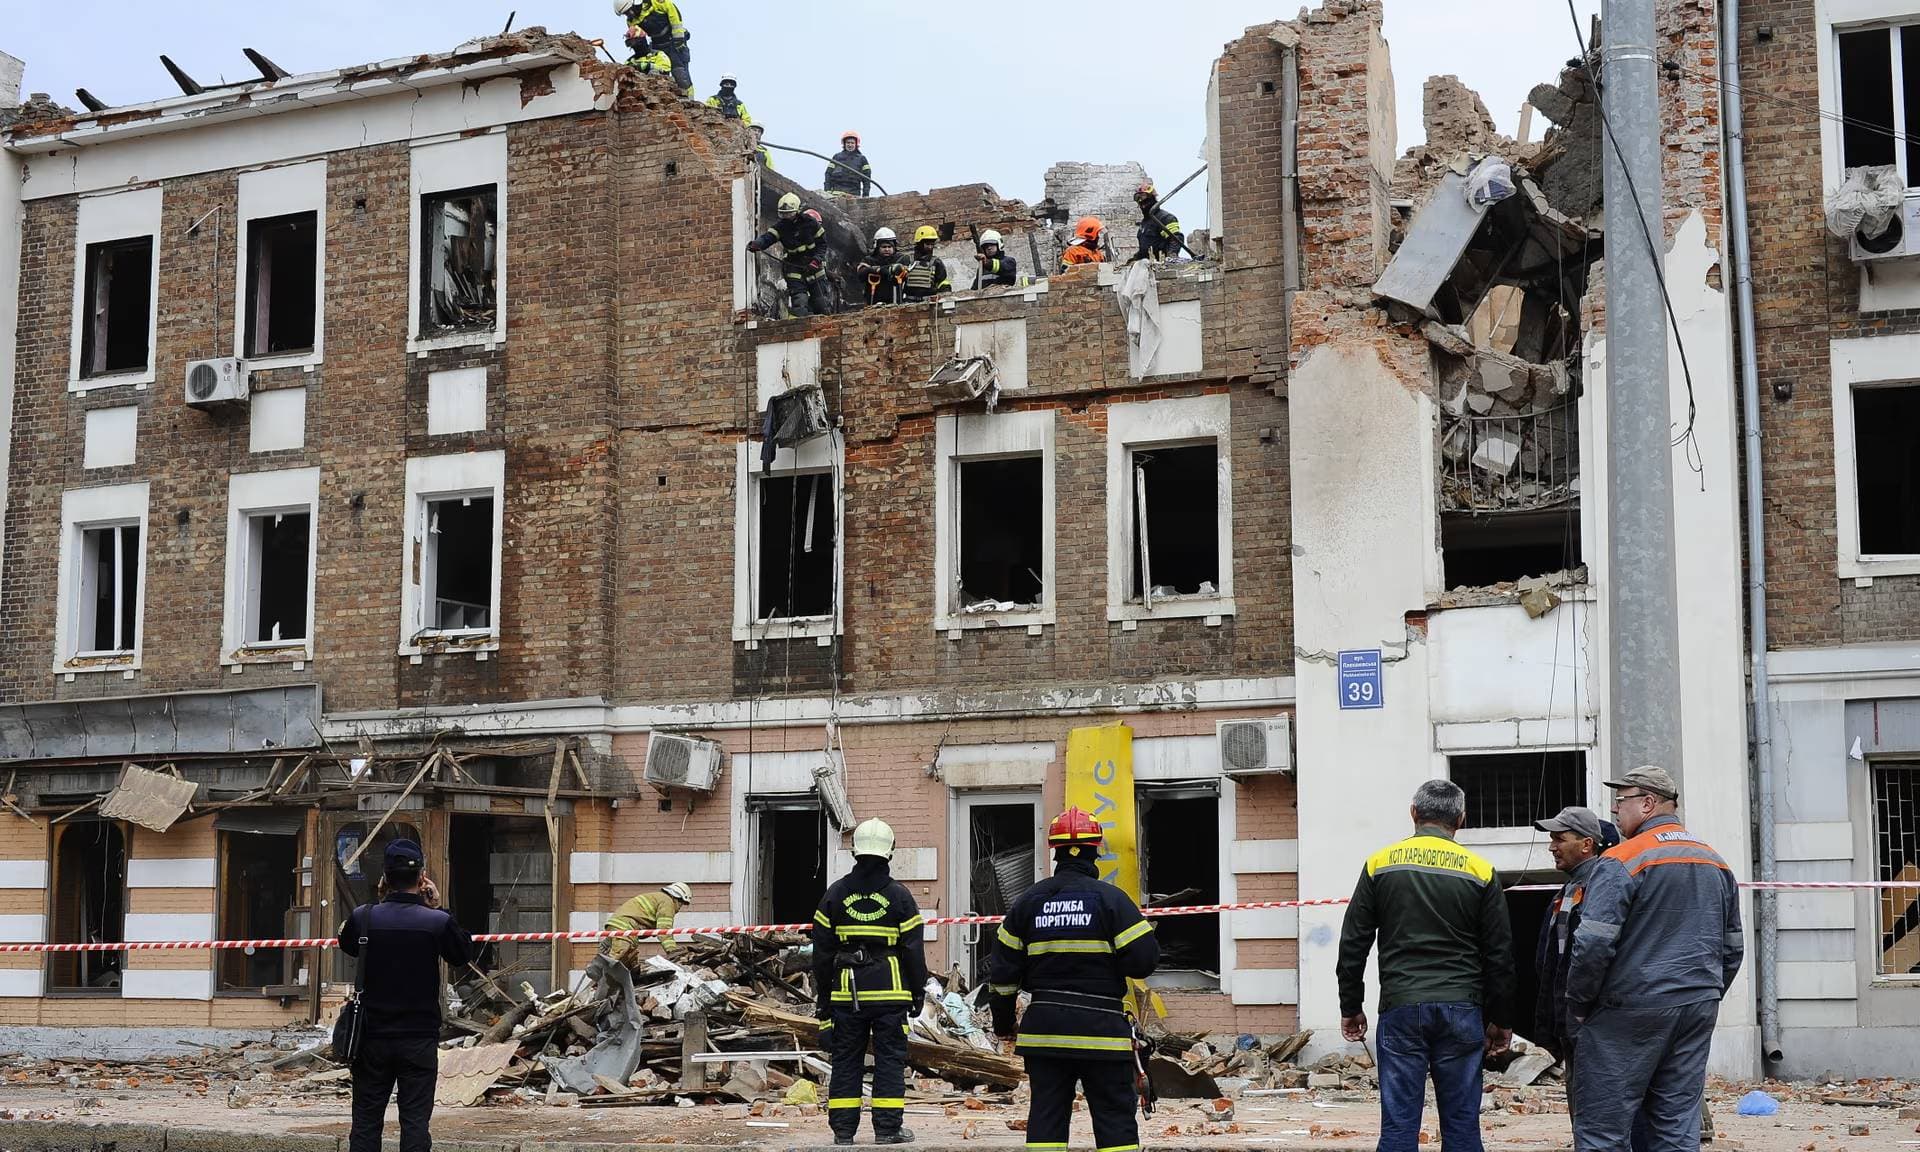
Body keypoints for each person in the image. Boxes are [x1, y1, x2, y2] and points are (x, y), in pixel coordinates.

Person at [1566, 766, 1744, 1152]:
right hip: (1695, 1007)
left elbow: (1593, 945)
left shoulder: (1623, 859)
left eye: (1622, 800)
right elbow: (1732, 948)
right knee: (1676, 1126)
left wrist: (1579, 1005)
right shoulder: (1716, 862)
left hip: (1628, 1011)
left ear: (1647, 803)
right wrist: (1705, 993)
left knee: (1602, 1129)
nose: (1615, 810)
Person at [1337, 779, 1516, 1152]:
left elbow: (1354, 943)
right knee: (1463, 1127)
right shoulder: (1481, 871)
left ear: (1414, 813)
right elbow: (1499, 955)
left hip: (1401, 1007)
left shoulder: (1380, 864)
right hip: (1462, 1011)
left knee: (1399, 1128)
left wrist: (1351, 1006)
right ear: (1461, 820)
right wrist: (1500, 1019)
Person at [990, 807, 1159, 1152]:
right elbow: (1144, 962)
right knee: (1114, 1118)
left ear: (1055, 853)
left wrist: (1004, 1025)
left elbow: (1002, 977)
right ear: (1095, 850)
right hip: (1102, 1033)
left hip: (1045, 1034)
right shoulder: (1112, 900)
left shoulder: (1027, 903)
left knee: (1047, 1117)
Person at [339, 840, 474, 1152]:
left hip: (371, 1038)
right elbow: (461, 954)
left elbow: (348, 945)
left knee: (365, 1122)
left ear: (384, 878)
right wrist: (438, 906)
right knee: (414, 1122)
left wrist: (380, 902)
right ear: (422, 877)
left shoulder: (364, 917)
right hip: (418, 1038)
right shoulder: (436, 921)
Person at [812, 818, 926, 1146]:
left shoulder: (834, 895)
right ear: (890, 852)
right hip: (890, 994)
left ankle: (843, 1132)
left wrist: (825, 1003)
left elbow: (821, 956)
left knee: (846, 1060)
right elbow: (913, 950)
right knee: (890, 1060)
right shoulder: (900, 897)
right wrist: (917, 991)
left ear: (854, 851)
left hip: (848, 995)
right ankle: (888, 1130)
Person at [1531, 806, 1621, 1075]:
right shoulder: (1567, 892)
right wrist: (1549, 1029)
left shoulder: (1603, 888)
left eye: (1559, 839)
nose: (1552, 847)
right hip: (1571, 1024)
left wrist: (1580, 1013)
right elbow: (1551, 967)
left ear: (1586, 844)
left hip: (1594, 1024)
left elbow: (1594, 956)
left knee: (1595, 1107)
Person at [748, 193, 832, 317]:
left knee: (821, 304)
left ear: (797, 211)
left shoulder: (811, 223)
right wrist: (757, 244)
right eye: (783, 214)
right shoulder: (781, 227)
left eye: (789, 214)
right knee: (800, 301)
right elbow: (768, 237)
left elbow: (822, 244)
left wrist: (816, 260)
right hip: (794, 267)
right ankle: (800, 330)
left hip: (814, 268)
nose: (786, 217)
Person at [616, 0, 692, 97]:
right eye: (625, 14)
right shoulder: (631, 21)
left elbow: (674, 15)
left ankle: (690, 101)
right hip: (657, 44)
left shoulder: (656, 3)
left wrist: (679, 38)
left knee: (679, 73)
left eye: (628, 11)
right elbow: (638, 36)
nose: (628, 15)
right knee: (659, 75)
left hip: (674, 40)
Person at [604, 881, 693, 959]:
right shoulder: (667, 902)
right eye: (681, 903)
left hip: (615, 925)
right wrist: (673, 951)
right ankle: (604, 974)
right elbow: (664, 931)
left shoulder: (658, 897)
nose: (680, 907)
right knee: (619, 957)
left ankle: (600, 973)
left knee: (611, 958)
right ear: (676, 898)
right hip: (625, 927)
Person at [1132, 181, 1185, 261]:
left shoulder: (1165, 218)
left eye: (1143, 197)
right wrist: (1135, 259)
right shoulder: (1144, 224)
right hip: (1148, 265)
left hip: (1161, 264)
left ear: (1151, 197)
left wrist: (1171, 256)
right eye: (1138, 199)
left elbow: (1176, 238)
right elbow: (1145, 248)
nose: (1140, 201)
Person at [858, 227, 907, 306]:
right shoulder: (869, 260)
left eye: (889, 247)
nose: (887, 249)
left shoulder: (901, 258)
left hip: (895, 302)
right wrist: (878, 269)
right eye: (884, 247)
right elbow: (861, 273)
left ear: (894, 247)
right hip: (873, 301)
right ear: (877, 247)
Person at [900, 226, 950, 301]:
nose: (930, 247)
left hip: (929, 303)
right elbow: (897, 282)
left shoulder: (936, 262)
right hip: (908, 303)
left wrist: (945, 293)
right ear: (919, 243)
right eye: (927, 244)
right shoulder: (907, 260)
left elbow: (943, 281)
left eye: (932, 244)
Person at [825, 132, 872, 197]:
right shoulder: (837, 157)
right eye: (848, 143)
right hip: (836, 194)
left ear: (856, 144)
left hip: (853, 195)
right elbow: (828, 174)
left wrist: (865, 195)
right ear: (844, 144)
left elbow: (867, 179)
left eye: (852, 143)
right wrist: (827, 191)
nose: (850, 145)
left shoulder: (862, 159)